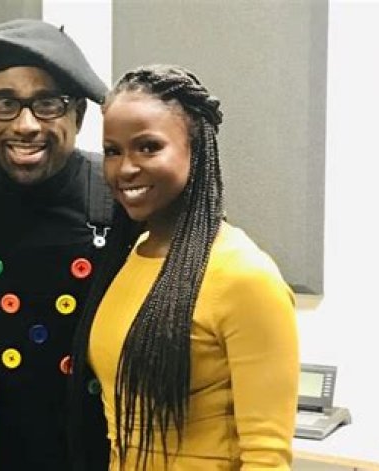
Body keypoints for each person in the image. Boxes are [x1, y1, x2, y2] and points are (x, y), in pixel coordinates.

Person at [68, 64, 299, 470]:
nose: (125, 168)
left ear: (196, 149)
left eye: (148, 147)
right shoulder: (132, 256)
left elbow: (267, 457)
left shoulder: (245, 276)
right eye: (113, 151)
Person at [0, 18, 112, 471]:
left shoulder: (119, 193)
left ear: (78, 115)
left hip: (93, 454)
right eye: (6, 103)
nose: (26, 124)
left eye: (48, 104)